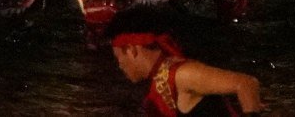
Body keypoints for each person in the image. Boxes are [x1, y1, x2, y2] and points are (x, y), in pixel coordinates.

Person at [101, 6, 265, 112]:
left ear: (131, 50)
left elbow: (246, 84)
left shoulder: (183, 74)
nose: (120, 65)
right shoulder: (162, 79)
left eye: (118, 58)